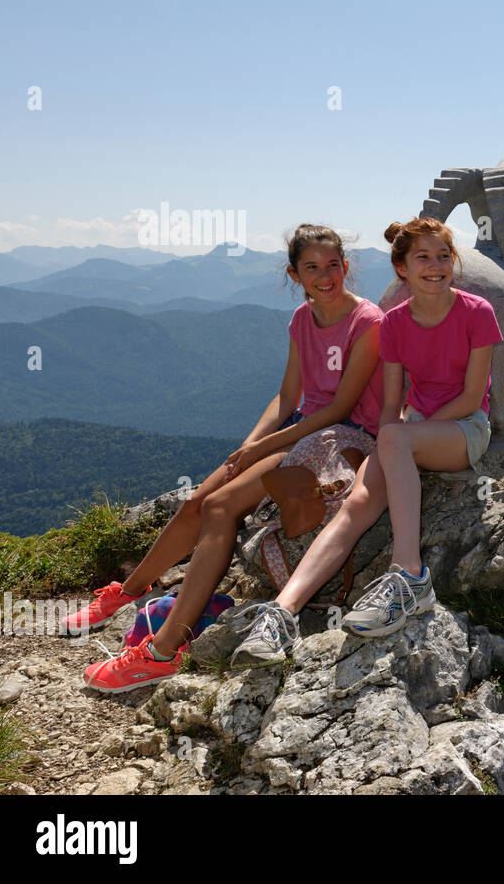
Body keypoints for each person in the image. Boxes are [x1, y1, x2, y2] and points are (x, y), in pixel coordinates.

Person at [78, 225, 385, 692]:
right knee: (195, 503)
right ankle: (130, 591)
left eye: (333, 265)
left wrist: (264, 448)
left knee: (221, 508)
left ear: (346, 265)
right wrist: (246, 447)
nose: (326, 276)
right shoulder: (303, 319)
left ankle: (162, 652)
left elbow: (341, 407)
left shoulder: (368, 321)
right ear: (294, 273)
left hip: (345, 435)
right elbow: (287, 396)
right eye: (312, 268)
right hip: (302, 425)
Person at [230, 215, 501, 666]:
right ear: (402, 269)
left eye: (442, 257)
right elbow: (390, 405)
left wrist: (400, 437)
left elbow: (473, 397)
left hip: (464, 429)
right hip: (408, 432)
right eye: (422, 258)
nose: (435, 266)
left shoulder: (477, 312)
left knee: (393, 440)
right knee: (357, 505)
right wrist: (395, 439)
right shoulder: (393, 324)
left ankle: (410, 575)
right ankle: (282, 613)